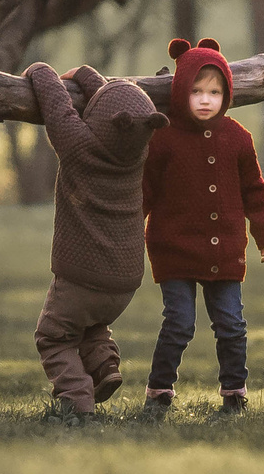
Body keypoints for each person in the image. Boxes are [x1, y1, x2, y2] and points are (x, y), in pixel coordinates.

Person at [139, 37, 264, 420]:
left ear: (227, 94)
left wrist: (263, 232)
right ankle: (159, 392)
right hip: (174, 248)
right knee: (179, 323)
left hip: (224, 250)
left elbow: (255, 190)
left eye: (214, 92)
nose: (204, 99)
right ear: (181, 90)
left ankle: (234, 393)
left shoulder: (238, 138)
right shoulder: (163, 139)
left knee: (231, 324)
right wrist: (130, 229)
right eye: (196, 91)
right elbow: (145, 192)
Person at [26, 61, 167, 424]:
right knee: (91, 321)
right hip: (125, 281)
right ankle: (104, 365)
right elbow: (120, 110)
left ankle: (77, 400)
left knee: (54, 335)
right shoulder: (138, 151)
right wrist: (89, 76)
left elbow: (56, 103)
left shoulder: (78, 146)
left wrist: (42, 69)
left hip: (80, 277)